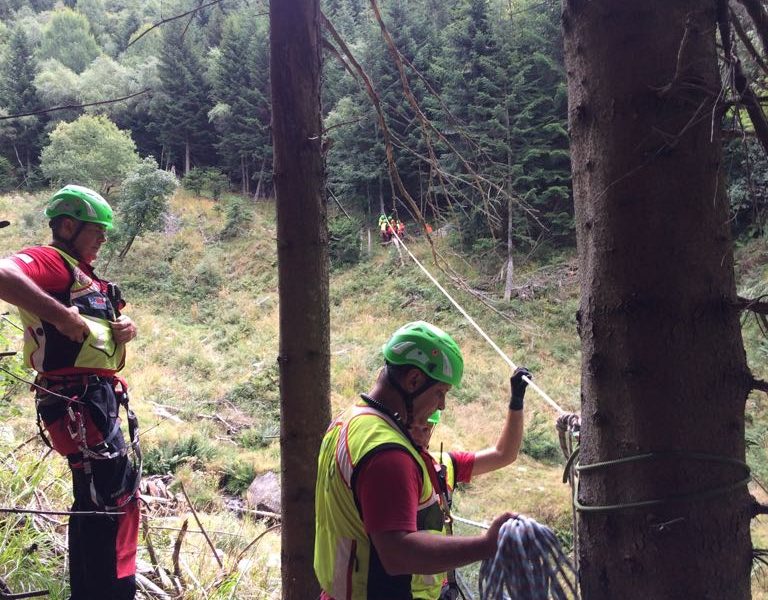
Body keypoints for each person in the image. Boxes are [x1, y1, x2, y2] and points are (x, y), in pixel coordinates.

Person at [0, 185, 141, 600]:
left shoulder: (84, 276)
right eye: (96, 230)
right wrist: (61, 318)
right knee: (110, 502)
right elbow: (3, 274)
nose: (102, 238)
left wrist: (125, 329)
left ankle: (92, 591)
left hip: (92, 400)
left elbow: (103, 323)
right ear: (67, 226)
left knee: (98, 500)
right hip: (78, 402)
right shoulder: (52, 261)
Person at [314, 321, 519, 600]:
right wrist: (485, 545)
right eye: (441, 392)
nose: (442, 406)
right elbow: (397, 553)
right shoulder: (388, 455)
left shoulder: (346, 422)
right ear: (413, 381)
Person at [408, 365, 529, 599]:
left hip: (436, 590)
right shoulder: (391, 465)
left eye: (428, 427)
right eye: (417, 426)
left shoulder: (444, 466)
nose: (423, 432)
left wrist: (516, 401)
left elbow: (504, 454)